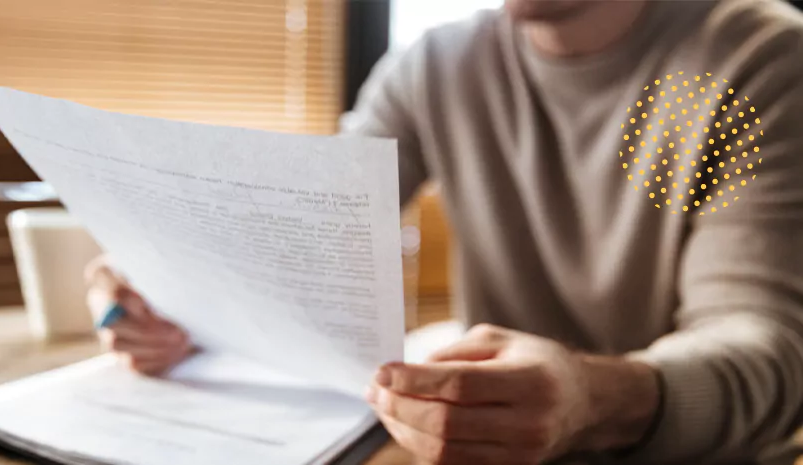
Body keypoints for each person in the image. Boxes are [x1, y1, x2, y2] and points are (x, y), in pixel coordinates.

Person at [85, 0, 803, 463]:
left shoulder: (758, 59)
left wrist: (592, 397)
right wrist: (164, 278)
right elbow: (297, 225)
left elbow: (770, 347)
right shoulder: (436, 66)